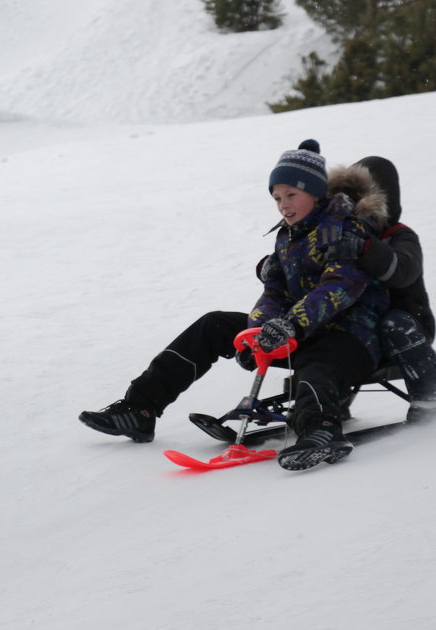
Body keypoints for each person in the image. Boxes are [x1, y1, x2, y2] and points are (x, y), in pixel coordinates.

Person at [79, 139, 390, 470]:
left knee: (317, 359)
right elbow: (275, 291)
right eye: (277, 198)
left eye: (291, 196)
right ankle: (139, 408)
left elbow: (339, 287)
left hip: (353, 335)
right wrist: (259, 329)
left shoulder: (347, 229)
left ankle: (321, 430)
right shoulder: (288, 236)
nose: (283, 206)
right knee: (213, 325)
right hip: (302, 331)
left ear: (315, 193)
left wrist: (292, 324)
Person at [327, 157, 436, 423]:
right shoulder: (340, 233)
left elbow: (402, 272)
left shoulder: (401, 236)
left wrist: (366, 247)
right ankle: (326, 401)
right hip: (359, 323)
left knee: (393, 323)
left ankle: (431, 395)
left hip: (407, 321)